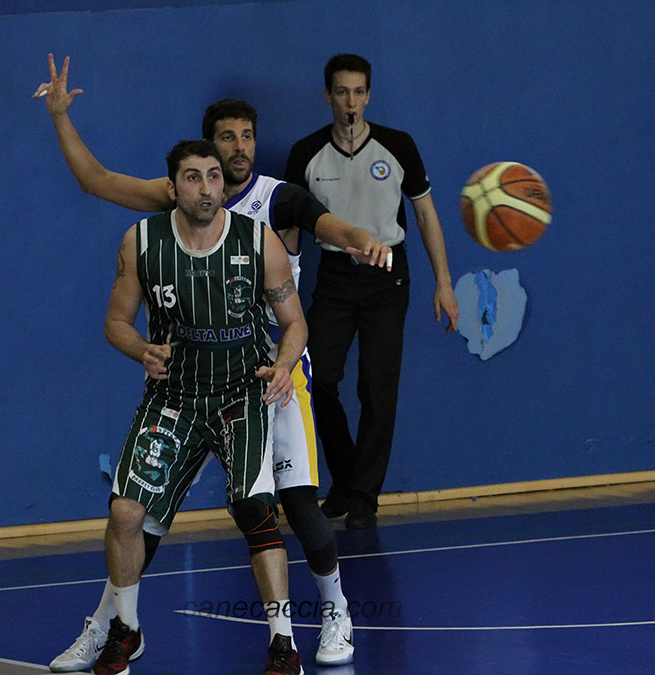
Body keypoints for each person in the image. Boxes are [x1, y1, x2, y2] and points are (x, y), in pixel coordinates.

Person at [34, 54, 384, 669]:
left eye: (247, 136)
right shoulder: (175, 200)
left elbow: (330, 226)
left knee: (295, 503)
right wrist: (61, 117)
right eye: (228, 137)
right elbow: (96, 179)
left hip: (268, 370)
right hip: (187, 382)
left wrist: (363, 240)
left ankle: (335, 613)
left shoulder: (277, 201)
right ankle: (114, 625)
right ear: (198, 162)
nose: (239, 147)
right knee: (139, 517)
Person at [93, 140, 307, 675]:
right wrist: (143, 350)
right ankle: (125, 629)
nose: (207, 187)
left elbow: (295, 324)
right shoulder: (142, 241)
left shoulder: (258, 240)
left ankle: (284, 646)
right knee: (125, 512)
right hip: (176, 395)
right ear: (172, 187)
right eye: (193, 177)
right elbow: (115, 323)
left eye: (214, 176)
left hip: (242, 391)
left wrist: (284, 365)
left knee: (255, 509)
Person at [284, 53, 460, 530]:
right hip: (334, 276)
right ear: (327, 95)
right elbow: (290, 230)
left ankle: (363, 497)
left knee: (377, 386)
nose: (351, 102)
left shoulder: (398, 145)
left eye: (359, 92)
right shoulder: (306, 153)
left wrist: (444, 283)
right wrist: (282, 293)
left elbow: (425, 213)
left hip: (387, 276)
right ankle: (346, 478)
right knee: (319, 379)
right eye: (342, 92)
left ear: (369, 96)